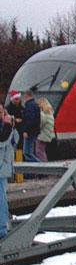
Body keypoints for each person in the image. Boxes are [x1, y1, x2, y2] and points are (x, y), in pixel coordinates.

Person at [0, 103, 19, 240]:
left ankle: (2, 227)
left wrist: (12, 127)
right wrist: (8, 126)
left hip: (4, 169)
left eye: (2, 112)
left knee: (2, 199)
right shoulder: (4, 126)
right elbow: (1, 141)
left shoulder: (5, 125)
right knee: (1, 201)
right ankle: (2, 230)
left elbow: (14, 141)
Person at [20, 90, 41, 162]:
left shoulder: (30, 106)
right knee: (29, 152)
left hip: (30, 132)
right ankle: (36, 169)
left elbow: (30, 119)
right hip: (34, 131)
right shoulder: (35, 105)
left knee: (27, 153)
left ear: (26, 96)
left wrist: (26, 130)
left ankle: (40, 167)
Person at [36, 98, 55, 162]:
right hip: (48, 134)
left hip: (43, 135)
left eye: (39, 104)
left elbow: (41, 124)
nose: (38, 106)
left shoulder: (43, 113)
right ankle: (45, 163)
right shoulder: (50, 112)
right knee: (42, 151)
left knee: (39, 152)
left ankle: (44, 165)